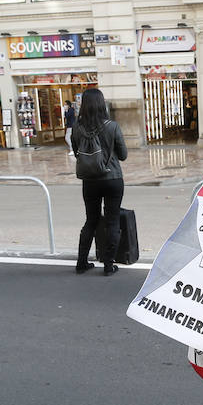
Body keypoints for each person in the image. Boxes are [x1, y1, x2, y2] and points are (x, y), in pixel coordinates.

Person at [72, 88, 127, 276]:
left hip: (90, 180)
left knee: (91, 220)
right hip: (112, 178)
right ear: (102, 104)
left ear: (83, 105)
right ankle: (108, 266)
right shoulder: (112, 126)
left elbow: (76, 151)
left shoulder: (77, 128)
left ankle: (81, 262)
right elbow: (124, 155)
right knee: (112, 221)